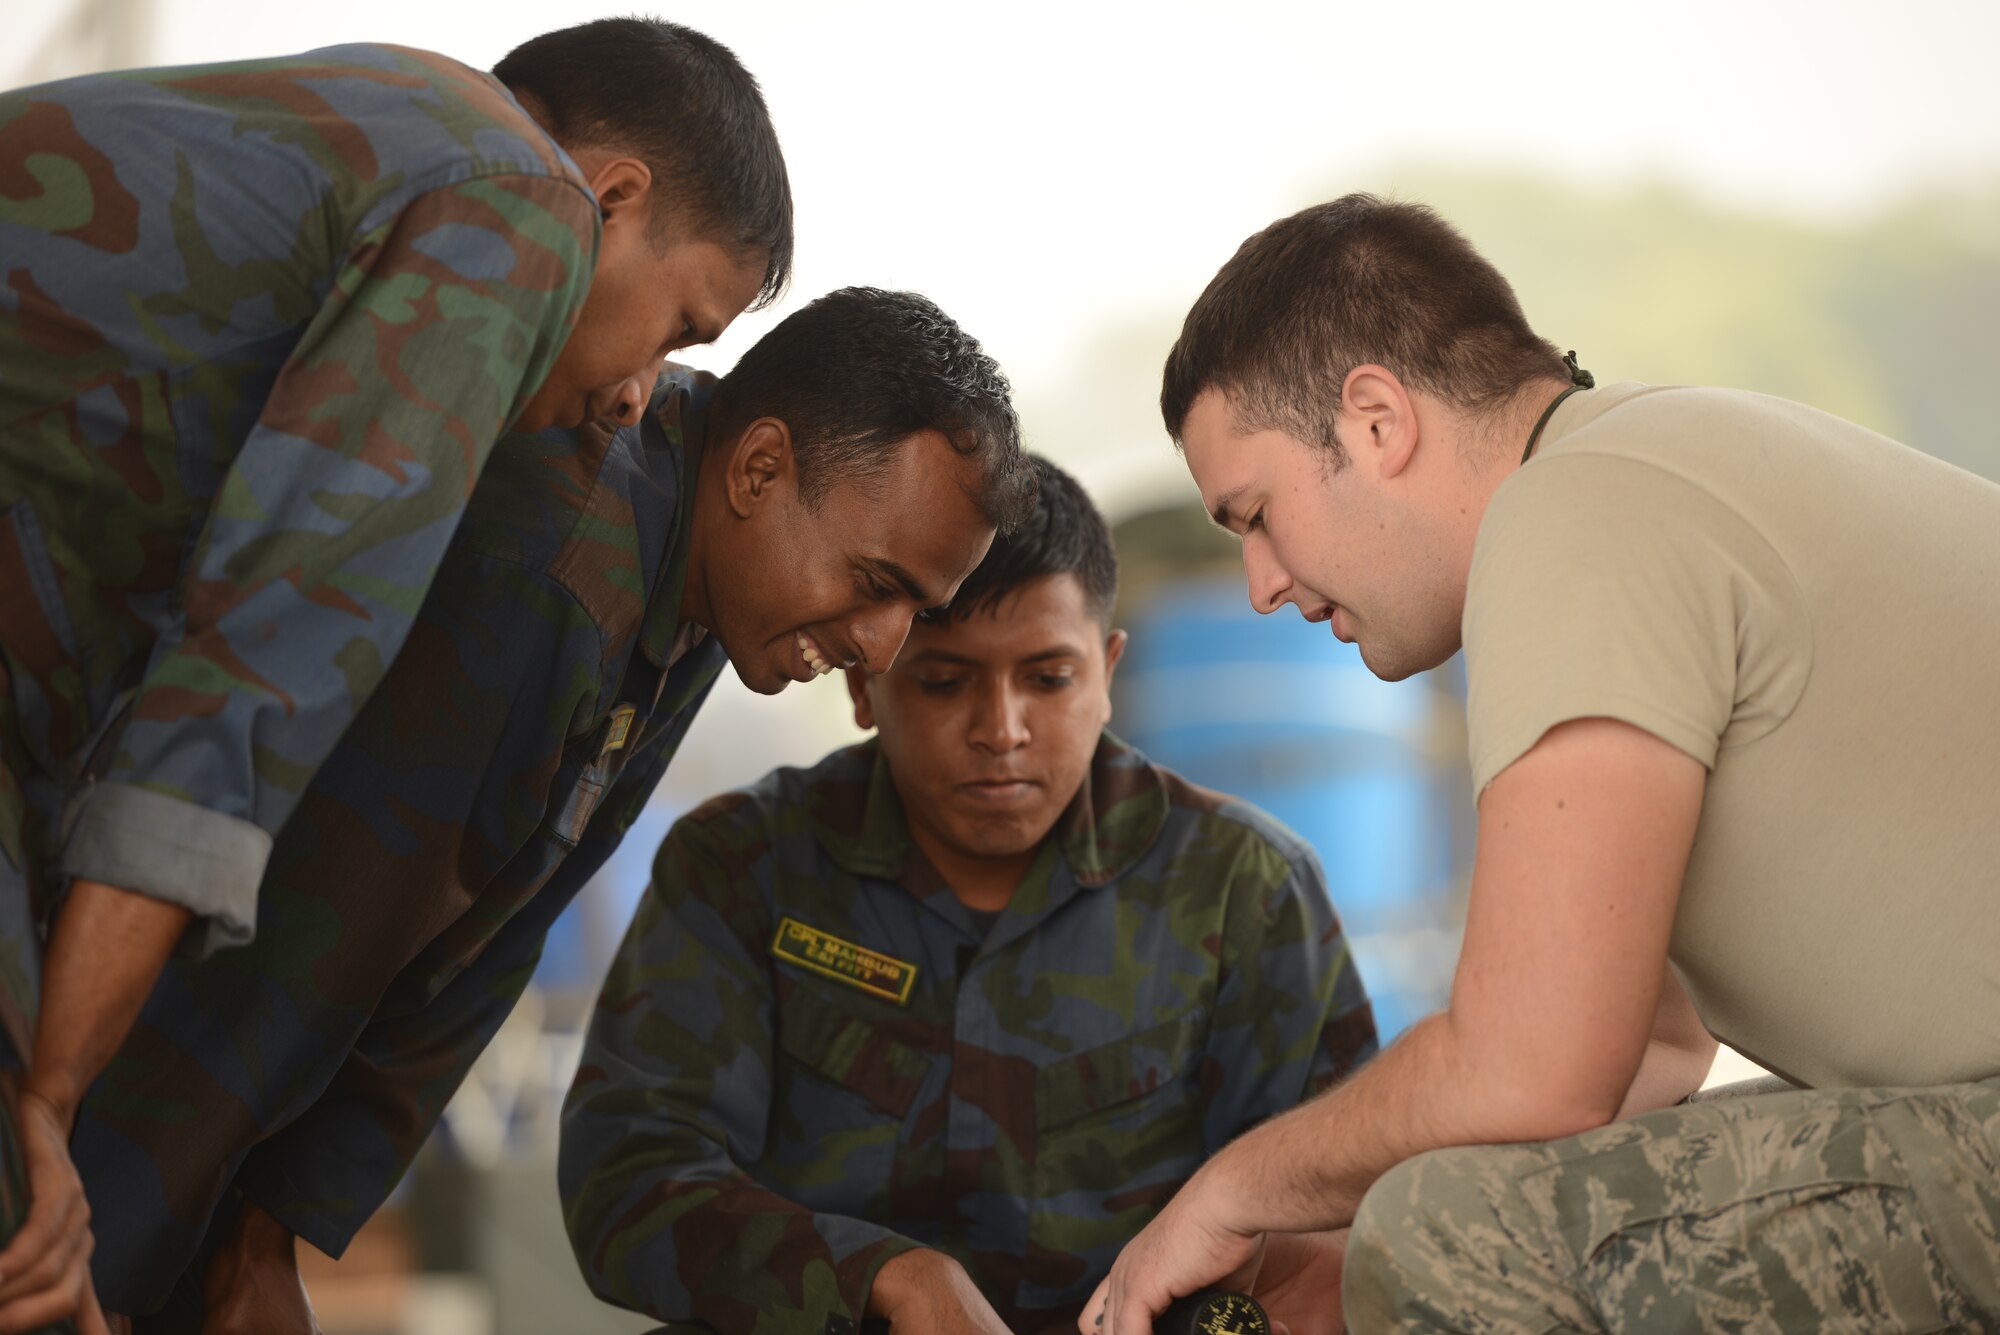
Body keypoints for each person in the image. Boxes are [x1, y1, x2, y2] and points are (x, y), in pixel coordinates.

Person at [1086, 193, 2000, 1334]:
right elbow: (1653, 1046)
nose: (1261, 584)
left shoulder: (1568, 513)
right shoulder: (1643, 457)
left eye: (1258, 514)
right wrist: (1348, 1247)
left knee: (1450, 1232)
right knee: (1442, 1218)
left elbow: (1534, 1069)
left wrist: (1230, 1193)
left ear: (1375, 420)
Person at [0, 16, 793, 1330]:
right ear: (612, 198)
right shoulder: (521, 206)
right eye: (674, 325)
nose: (637, 395)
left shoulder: (397, 118)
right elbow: (250, 679)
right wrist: (45, 1098)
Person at [62, 284, 1031, 1335]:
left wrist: (266, 1230)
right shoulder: (559, 572)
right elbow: (298, 954)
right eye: (875, 582)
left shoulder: (716, 584)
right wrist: (109, 1248)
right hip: (118, 1060)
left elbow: (486, 940)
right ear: (759, 469)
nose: (883, 648)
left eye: (917, 609)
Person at [560, 456, 1378, 1335]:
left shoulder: (1243, 887)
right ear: (863, 682)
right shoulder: (743, 868)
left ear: (1107, 675)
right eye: (945, 681)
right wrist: (884, 1279)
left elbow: (1334, 1202)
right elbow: (628, 1175)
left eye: (1049, 678)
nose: (1001, 729)